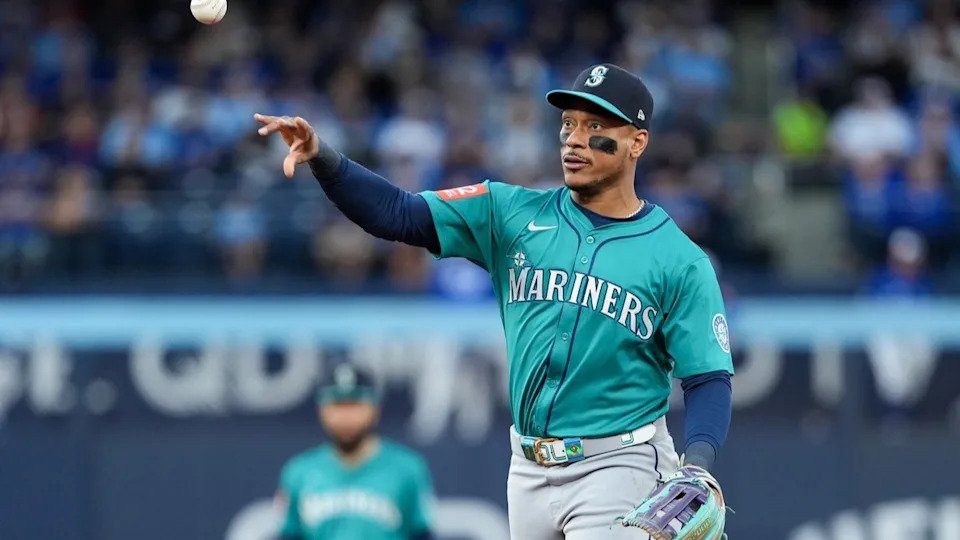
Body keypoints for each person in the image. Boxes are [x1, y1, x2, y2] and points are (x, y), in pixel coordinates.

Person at [257, 63, 733, 539]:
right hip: (526, 467)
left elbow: (707, 376)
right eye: (568, 123)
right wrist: (322, 156)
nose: (573, 138)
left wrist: (698, 465)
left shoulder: (679, 259)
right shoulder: (511, 212)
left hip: (619, 462)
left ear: (637, 142)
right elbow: (396, 214)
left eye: (595, 127)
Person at [275, 363, 434, 540]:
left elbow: (422, 534)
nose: (346, 416)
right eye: (337, 405)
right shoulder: (299, 472)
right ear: (322, 410)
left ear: (375, 409)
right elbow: (289, 535)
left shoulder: (406, 469)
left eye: (354, 404)